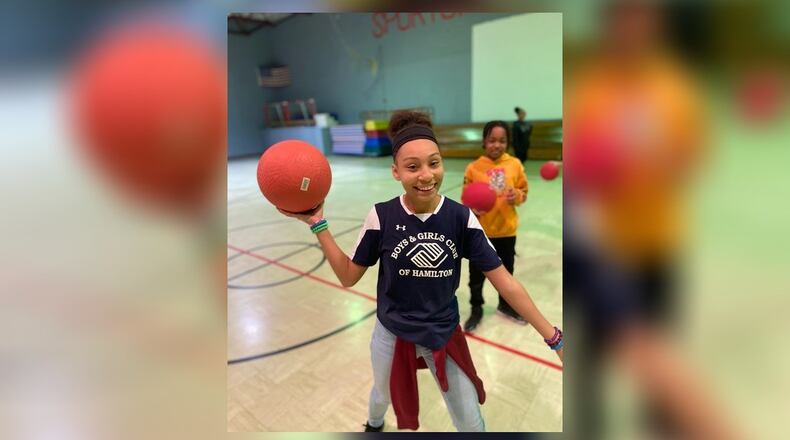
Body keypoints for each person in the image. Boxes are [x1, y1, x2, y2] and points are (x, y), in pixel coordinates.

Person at [277, 110, 563, 432]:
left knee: (471, 422)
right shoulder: (381, 216)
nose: (426, 175)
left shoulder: (461, 218)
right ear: (396, 171)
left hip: (443, 331)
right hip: (392, 332)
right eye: (412, 167)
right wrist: (318, 224)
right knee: (383, 393)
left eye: (434, 163)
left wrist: (555, 338)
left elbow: (506, 283)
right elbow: (348, 276)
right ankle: (374, 423)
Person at [461, 121, 529, 332]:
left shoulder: (515, 164)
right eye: (492, 140)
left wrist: (516, 195)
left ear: (507, 142)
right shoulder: (473, 167)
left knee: (506, 274)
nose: (496, 145)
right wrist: (472, 208)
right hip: (480, 233)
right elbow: (466, 197)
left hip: (507, 231)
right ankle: (476, 307)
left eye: (502, 140)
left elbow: (523, 192)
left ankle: (506, 305)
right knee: (476, 275)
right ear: (484, 142)